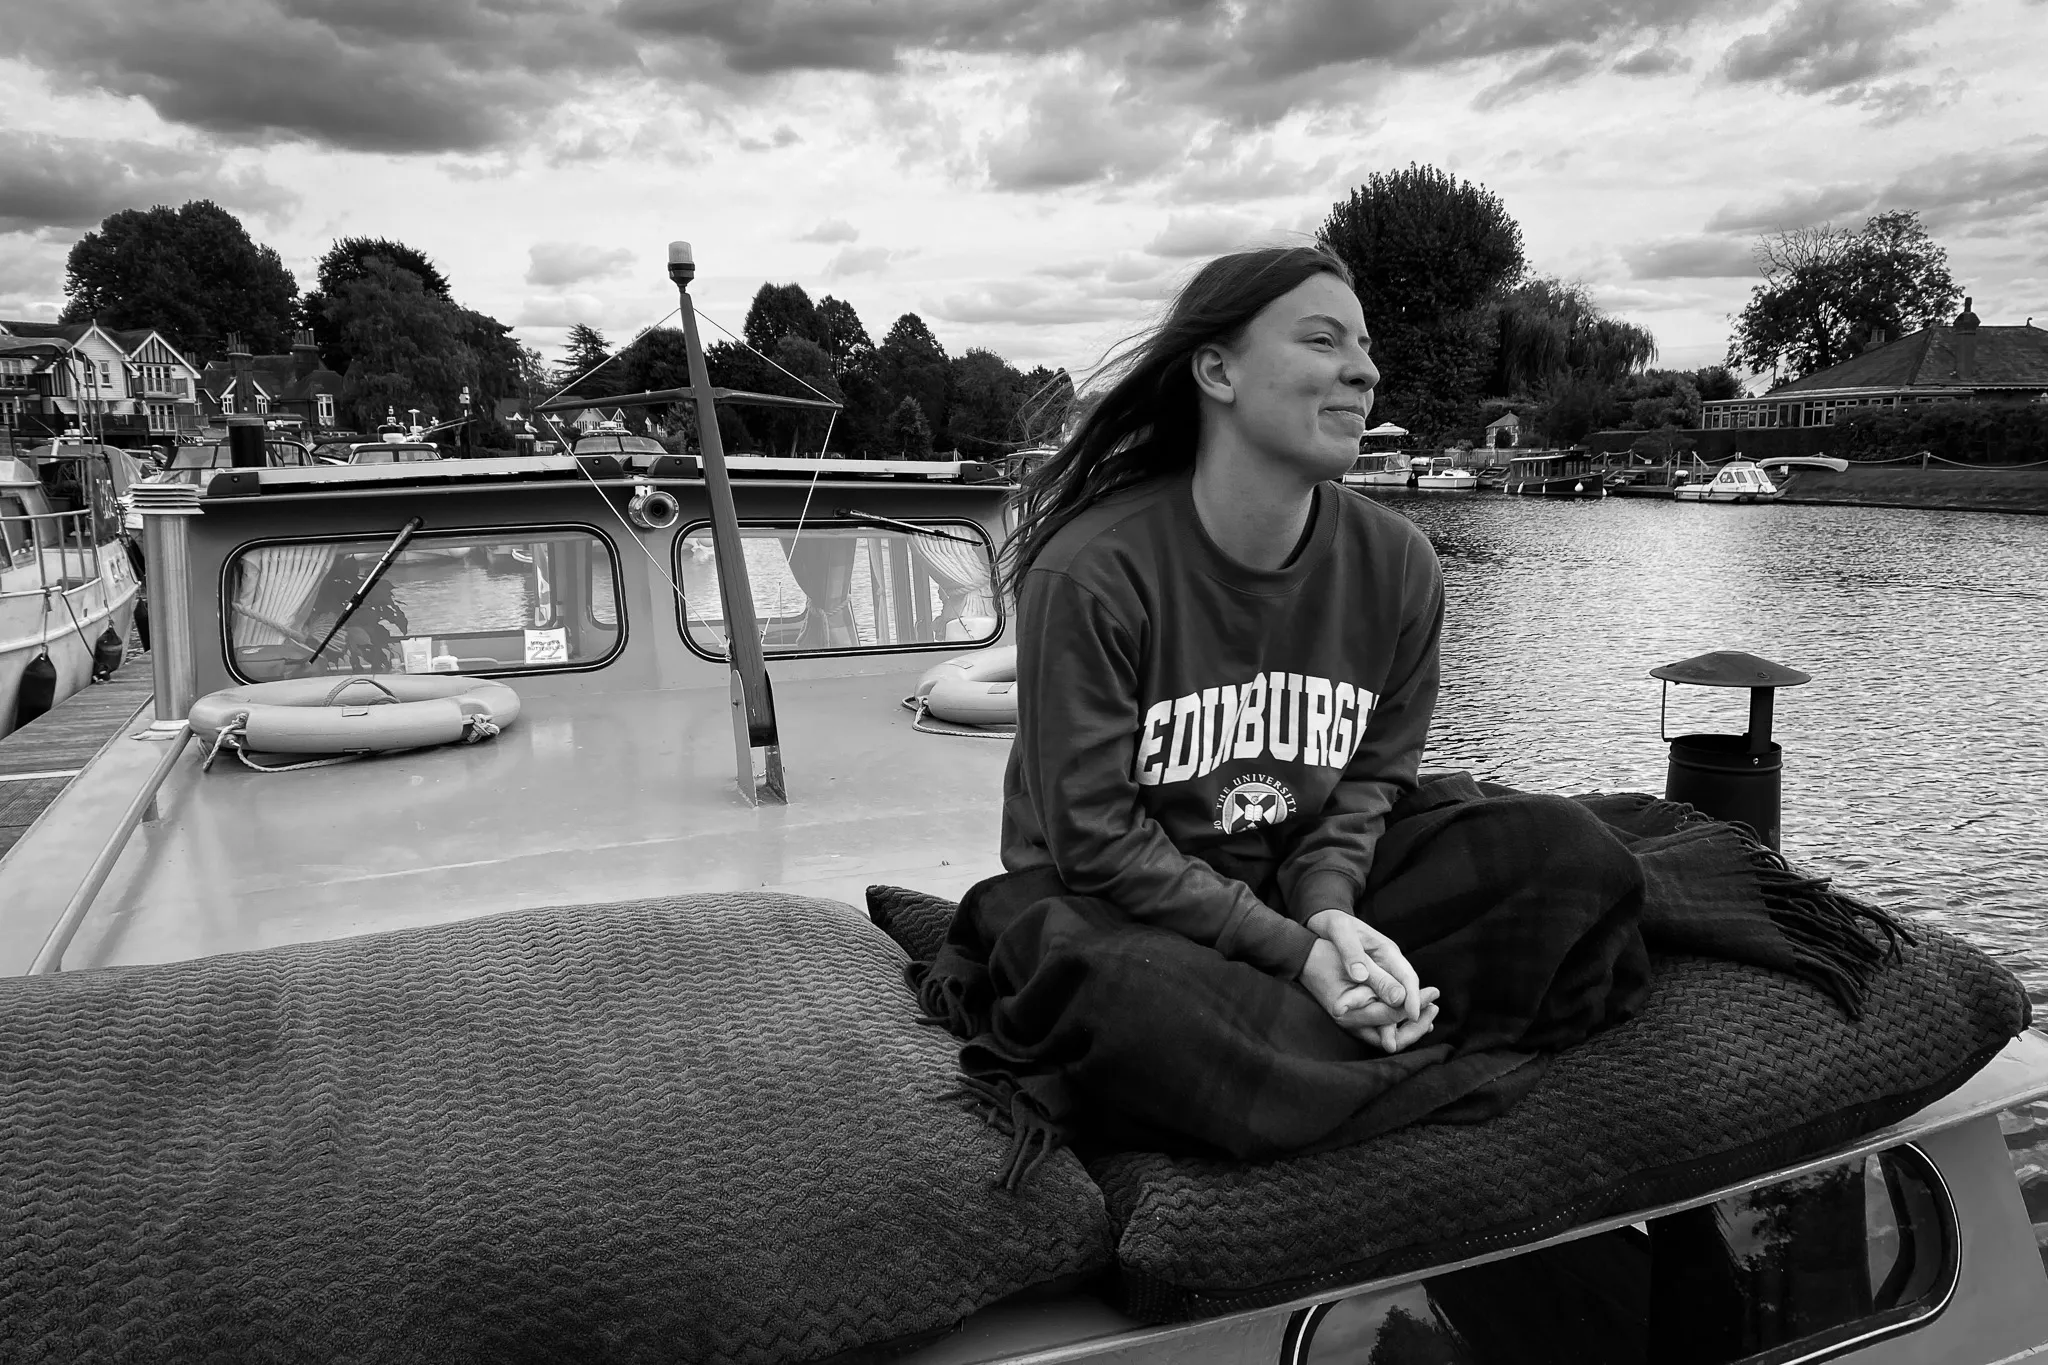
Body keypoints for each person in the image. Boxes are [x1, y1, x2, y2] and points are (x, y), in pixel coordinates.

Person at [995, 244, 1443, 1054]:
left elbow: (1375, 778)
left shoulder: (1402, 567)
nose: (1365, 372)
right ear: (1218, 373)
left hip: (1294, 878)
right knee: (1137, 1005)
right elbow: (1095, 837)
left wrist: (1330, 910)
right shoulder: (1093, 573)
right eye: (1323, 340)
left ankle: (1335, 1027)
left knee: (1559, 860)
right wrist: (1297, 953)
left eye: (1366, 347)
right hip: (1109, 904)